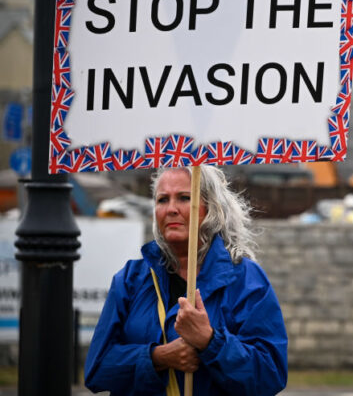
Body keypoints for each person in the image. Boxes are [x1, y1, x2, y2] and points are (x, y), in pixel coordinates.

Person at [84, 166, 288, 395]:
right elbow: (97, 370)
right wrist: (159, 357)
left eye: (184, 198)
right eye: (162, 200)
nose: (171, 209)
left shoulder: (246, 279)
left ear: (211, 207)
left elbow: (270, 375)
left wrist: (211, 342)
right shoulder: (131, 279)